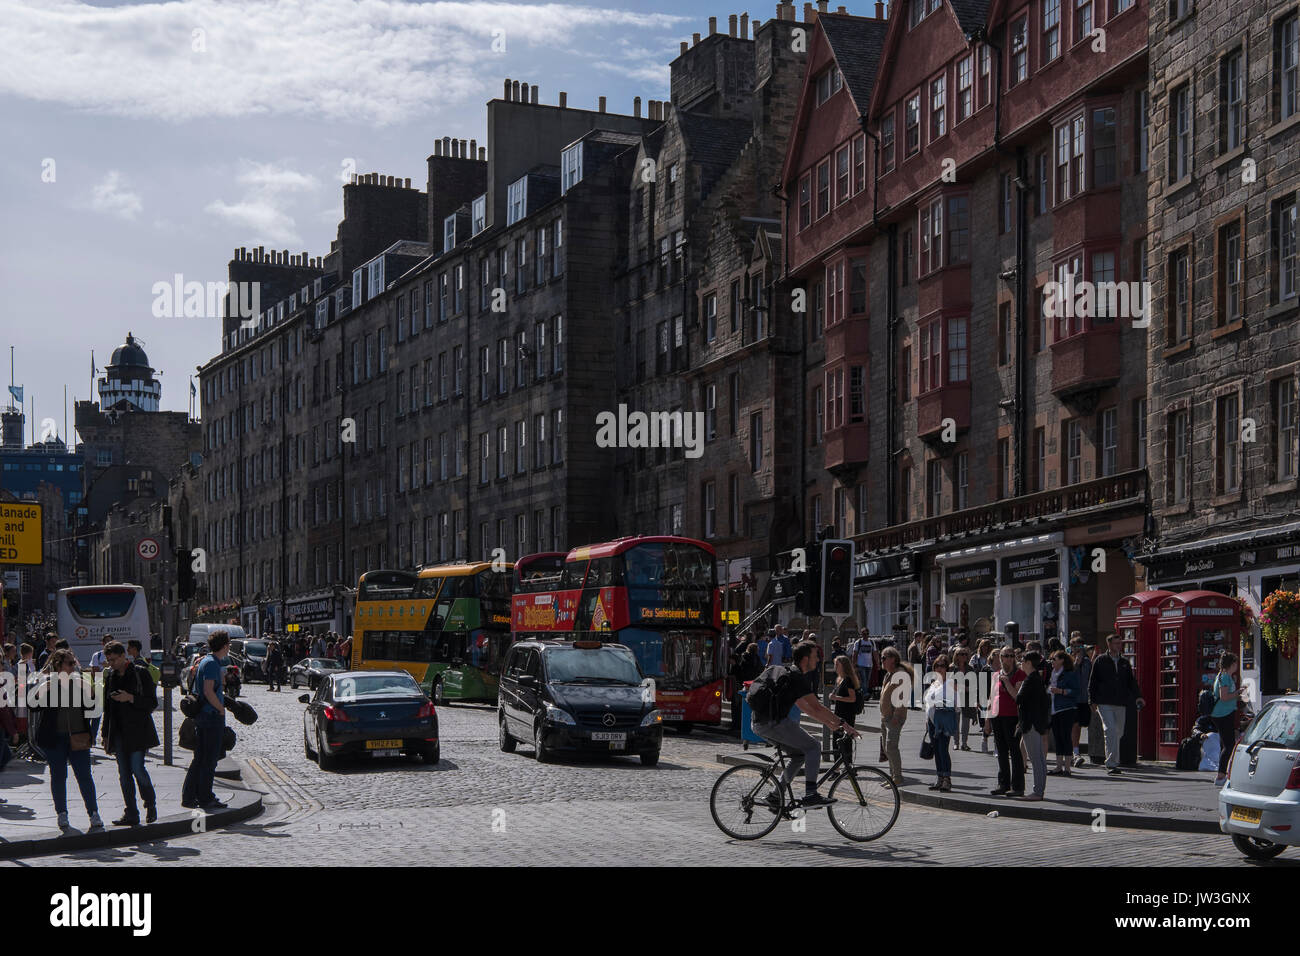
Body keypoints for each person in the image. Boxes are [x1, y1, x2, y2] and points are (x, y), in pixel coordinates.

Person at [749, 642, 860, 809]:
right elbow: (817, 707)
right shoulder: (797, 677)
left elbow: (807, 708)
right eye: (815, 656)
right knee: (814, 747)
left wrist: (829, 724)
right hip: (773, 723)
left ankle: (775, 795)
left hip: (760, 723)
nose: (818, 660)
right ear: (806, 659)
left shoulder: (789, 673)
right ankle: (811, 794)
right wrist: (845, 725)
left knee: (799, 755)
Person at [35, 649, 102, 830]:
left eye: (74, 663)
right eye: (69, 663)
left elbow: (94, 708)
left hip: (78, 736)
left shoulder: (80, 683)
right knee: (58, 776)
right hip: (55, 738)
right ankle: (62, 814)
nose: (73, 667)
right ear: (59, 665)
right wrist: (40, 691)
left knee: (84, 776)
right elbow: (32, 706)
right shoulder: (48, 684)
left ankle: (94, 813)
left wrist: (91, 692)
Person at [100, 640, 159, 826]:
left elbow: (152, 703)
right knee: (124, 774)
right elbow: (107, 708)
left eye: (114, 660)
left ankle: (150, 804)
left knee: (137, 769)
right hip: (118, 731)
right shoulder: (110, 676)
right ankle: (131, 813)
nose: (112, 664)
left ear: (124, 655)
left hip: (138, 730)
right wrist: (105, 734)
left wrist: (130, 698)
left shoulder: (140, 673)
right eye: (109, 661)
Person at [181, 630, 230, 812]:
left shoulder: (206, 661)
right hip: (210, 717)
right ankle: (205, 797)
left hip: (204, 716)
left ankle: (190, 796)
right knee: (208, 760)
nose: (229, 647)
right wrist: (221, 709)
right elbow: (209, 691)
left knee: (200, 759)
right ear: (224, 646)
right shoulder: (211, 664)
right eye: (228, 644)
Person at [1088, 633, 1144, 776]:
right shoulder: (1100, 660)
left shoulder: (1124, 662)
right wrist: (1092, 700)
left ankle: (1113, 759)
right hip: (1104, 701)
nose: (1119, 646)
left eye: (1120, 643)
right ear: (1109, 644)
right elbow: (1093, 681)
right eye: (1116, 643)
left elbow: (1131, 681)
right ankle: (1112, 763)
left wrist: (1138, 697)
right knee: (1110, 730)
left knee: (1119, 732)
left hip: (1121, 702)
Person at [989, 646, 1026, 796]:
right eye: (1006, 656)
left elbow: (1017, 696)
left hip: (1012, 717)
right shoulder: (995, 675)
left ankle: (1017, 787)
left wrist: (1006, 682)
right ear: (1000, 658)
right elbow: (991, 697)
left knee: (1015, 751)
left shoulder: (1019, 674)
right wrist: (987, 720)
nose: (1009, 658)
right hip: (997, 716)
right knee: (1001, 751)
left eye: (1012, 656)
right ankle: (1003, 783)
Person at [1016, 651, 1051, 801]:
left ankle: (1038, 792)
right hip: (1037, 723)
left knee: (1036, 759)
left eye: (1023, 660)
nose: (1021, 663)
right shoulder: (1037, 679)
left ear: (1029, 663)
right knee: (1040, 759)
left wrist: (1010, 684)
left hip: (1030, 724)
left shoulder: (1030, 679)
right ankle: (1039, 789)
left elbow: (1018, 699)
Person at [924, 654, 958, 792]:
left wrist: (939, 704)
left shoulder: (951, 683)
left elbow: (956, 703)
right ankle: (939, 777)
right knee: (937, 750)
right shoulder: (933, 683)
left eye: (942, 666)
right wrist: (926, 721)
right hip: (932, 721)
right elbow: (927, 703)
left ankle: (947, 779)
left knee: (943, 750)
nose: (939, 668)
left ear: (947, 668)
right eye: (937, 665)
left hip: (944, 720)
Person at [878, 647, 911, 786]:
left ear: (893, 659)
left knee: (891, 747)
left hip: (894, 718)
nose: (882, 661)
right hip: (886, 717)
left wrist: (896, 716)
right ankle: (892, 777)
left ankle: (898, 777)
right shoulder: (888, 675)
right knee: (887, 749)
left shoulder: (900, 675)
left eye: (884, 658)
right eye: (881, 658)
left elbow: (902, 696)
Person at [1210, 652, 1243, 787]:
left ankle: (1223, 773)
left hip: (1224, 713)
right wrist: (1237, 693)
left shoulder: (1223, 676)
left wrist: (1236, 695)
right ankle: (1220, 776)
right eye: (1235, 663)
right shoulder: (1225, 677)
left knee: (1228, 744)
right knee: (1228, 745)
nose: (1237, 666)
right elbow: (1224, 697)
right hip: (1222, 714)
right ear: (1231, 664)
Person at [1046, 649, 1080, 776]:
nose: (1052, 661)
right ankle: (1058, 766)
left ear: (1062, 660)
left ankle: (1067, 767)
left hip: (1066, 709)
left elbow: (1076, 691)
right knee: (1058, 737)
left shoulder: (1069, 674)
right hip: (1054, 709)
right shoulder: (1052, 673)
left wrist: (1061, 691)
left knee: (1066, 737)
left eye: (1054, 659)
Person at [1070, 635, 1092, 768]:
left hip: (1085, 698)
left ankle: (1075, 752)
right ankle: (1075, 753)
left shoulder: (1087, 661)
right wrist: (1076, 664)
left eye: (1080, 647)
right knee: (1075, 726)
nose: (1077, 650)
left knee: (1082, 725)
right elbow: (1069, 676)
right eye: (1075, 647)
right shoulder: (1068, 661)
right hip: (1072, 699)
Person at [951, 647, 979, 751]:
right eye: (961, 654)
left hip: (968, 698)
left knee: (966, 721)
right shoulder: (952, 668)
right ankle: (956, 743)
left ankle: (964, 743)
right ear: (956, 656)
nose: (963, 656)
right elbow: (950, 685)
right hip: (955, 698)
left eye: (965, 654)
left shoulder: (970, 669)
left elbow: (973, 685)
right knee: (956, 721)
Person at [829, 656, 861, 730]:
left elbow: (852, 698)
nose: (835, 667)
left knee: (844, 738)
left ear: (843, 666)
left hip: (847, 713)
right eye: (835, 664)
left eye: (837, 664)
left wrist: (835, 697)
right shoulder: (839, 678)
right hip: (839, 712)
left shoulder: (848, 680)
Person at [850, 633, 875, 699]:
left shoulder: (872, 642)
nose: (865, 635)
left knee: (867, 680)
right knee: (863, 679)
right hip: (861, 664)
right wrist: (854, 663)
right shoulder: (858, 642)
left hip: (869, 664)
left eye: (866, 634)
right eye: (863, 634)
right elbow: (854, 654)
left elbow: (875, 652)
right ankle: (865, 693)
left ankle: (861, 692)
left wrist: (878, 662)